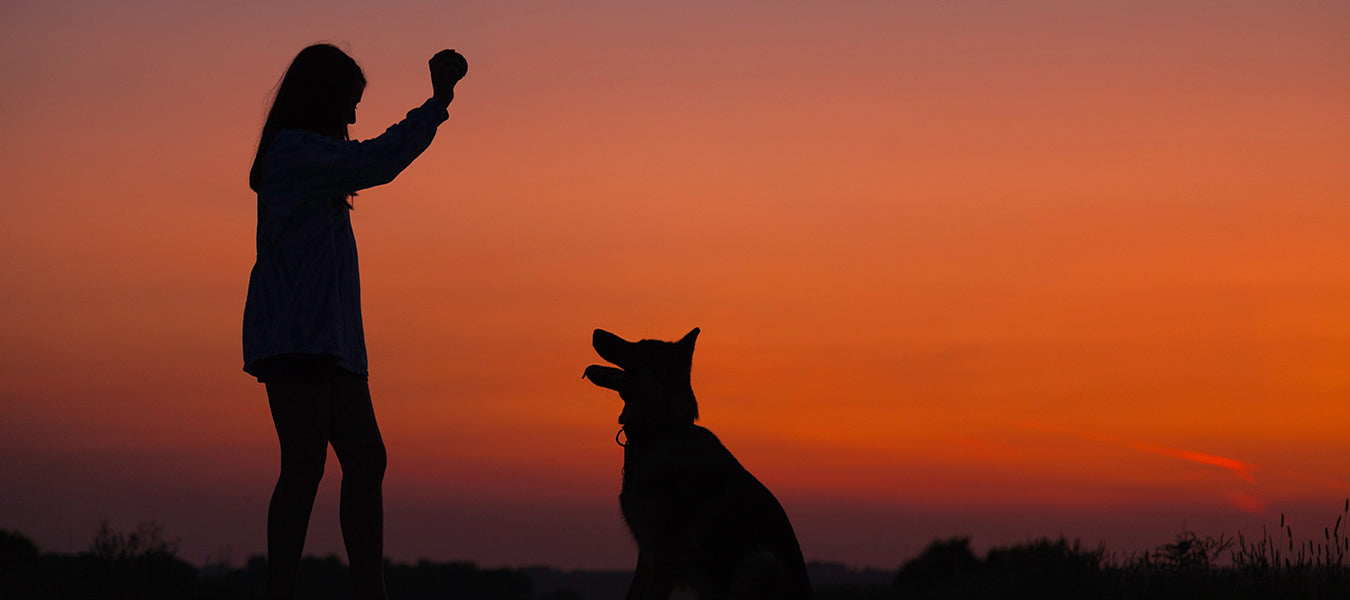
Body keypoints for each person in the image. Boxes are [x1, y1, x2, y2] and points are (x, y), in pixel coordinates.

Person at [242, 43, 467, 600]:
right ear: (322, 99)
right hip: (297, 336)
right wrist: (437, 102)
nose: (352, 117)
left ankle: (371, 589)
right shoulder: (294, 154)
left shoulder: (310, 162)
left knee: (365, 459)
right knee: (304, 465)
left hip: (332, 342)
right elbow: (377, 159)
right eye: (350, 103)